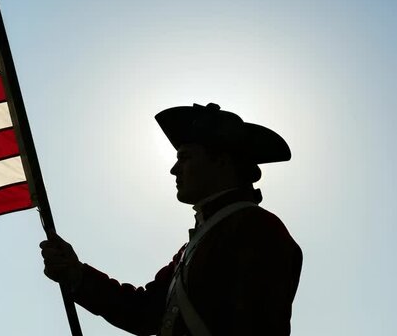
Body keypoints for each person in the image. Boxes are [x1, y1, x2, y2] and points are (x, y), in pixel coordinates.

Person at [40, 103, 303, 336]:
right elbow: (145, 312)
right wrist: (76, 274)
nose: (174, 169)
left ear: (222, 162)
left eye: (185, 157)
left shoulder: (258, 229)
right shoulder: (199, 242)